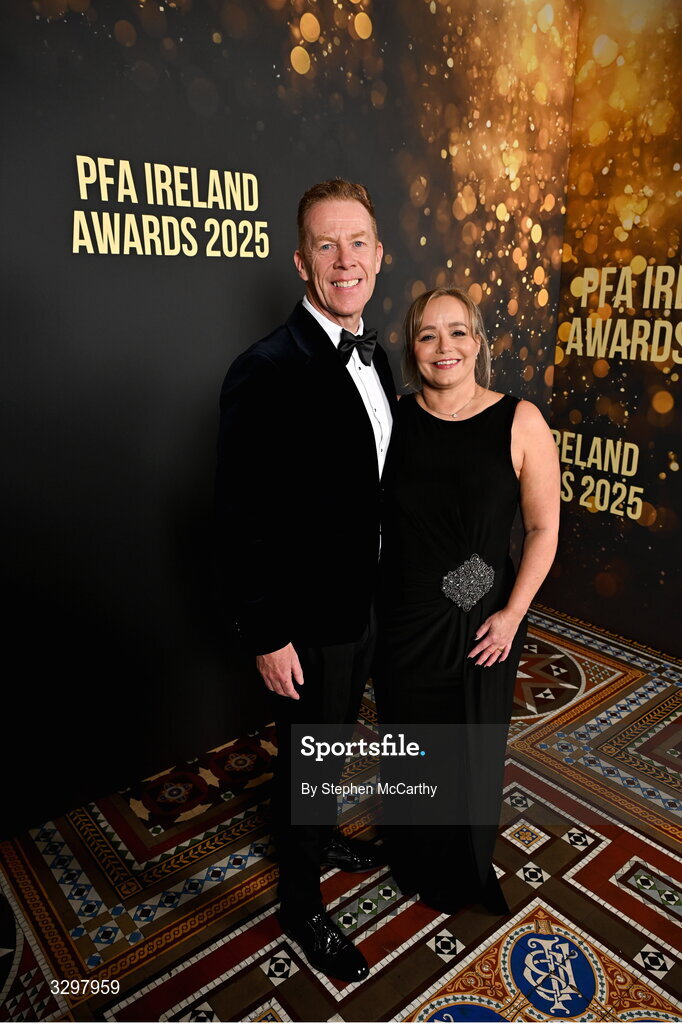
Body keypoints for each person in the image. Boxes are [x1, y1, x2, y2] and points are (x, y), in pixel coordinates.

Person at [215, 180, 397, 981]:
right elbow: (240, 514)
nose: (344, 260)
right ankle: (300, 904)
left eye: (357, 243)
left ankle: (319, 837)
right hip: (306, 619)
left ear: (379, 256)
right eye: (327, 245)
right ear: (301, 262)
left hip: (365, 605)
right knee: (306, 761)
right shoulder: (265, 369)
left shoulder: (379, 356)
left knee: (332, 746)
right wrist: (266, 632)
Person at [374, 285, 560, 915]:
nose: (444, 346)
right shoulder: (392, 417)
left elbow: (542, 530)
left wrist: (512, 614)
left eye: (457, 331)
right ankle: (411, 852)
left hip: (483, 614)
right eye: (427, 334)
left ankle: (458, 869)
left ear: (478, 343)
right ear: (412, 349)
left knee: (468, 747)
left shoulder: (520, 419)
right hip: (403, 614)